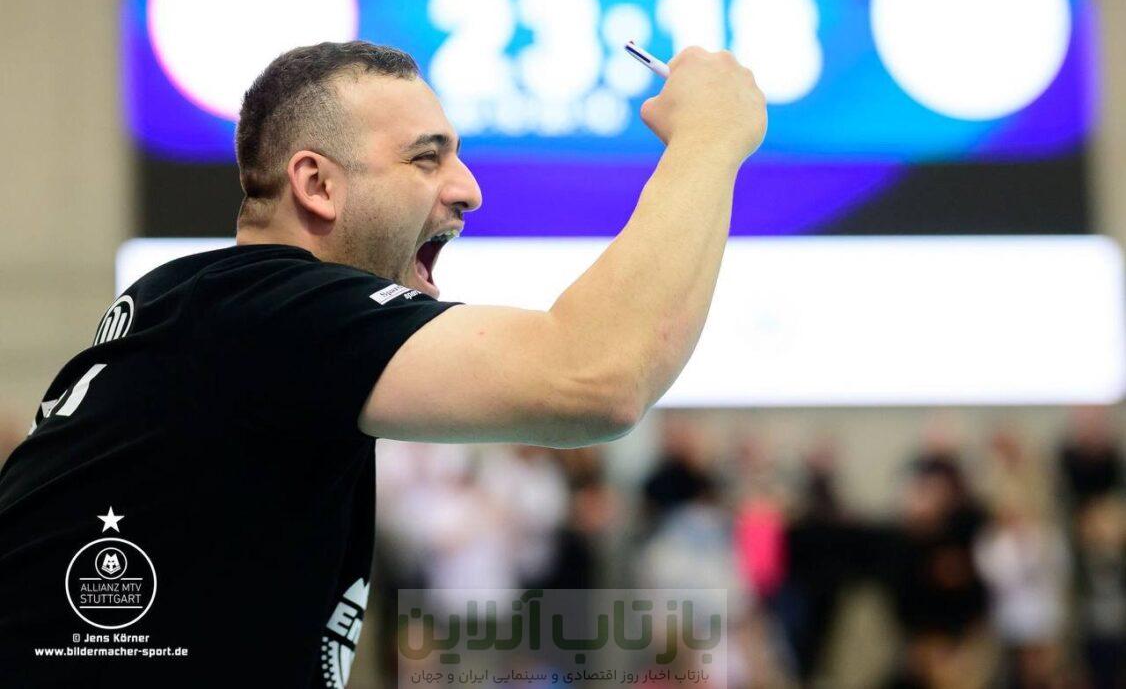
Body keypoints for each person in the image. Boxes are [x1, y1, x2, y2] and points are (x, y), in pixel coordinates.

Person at [0, 40, 767, 686]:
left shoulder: (199, 310)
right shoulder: (268, 311)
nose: (469, 190)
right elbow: (596, 375)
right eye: (426, 159)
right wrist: (709, 136)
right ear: (318, 185)